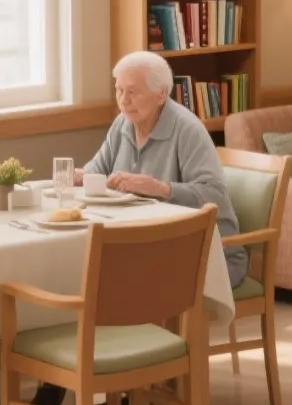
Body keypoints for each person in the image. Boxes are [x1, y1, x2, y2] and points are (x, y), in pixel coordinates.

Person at [78, 50, 247, 286]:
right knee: (91, 272)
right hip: (149, 247)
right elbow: (96, 170)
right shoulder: (122, 123)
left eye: (132, 92)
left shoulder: (188, 130)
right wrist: (75, 176)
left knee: (120, 279)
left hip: (208, 255)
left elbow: (214, 195)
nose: (123, 100)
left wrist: (160, 188)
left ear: (161, 95)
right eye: (119, 90)